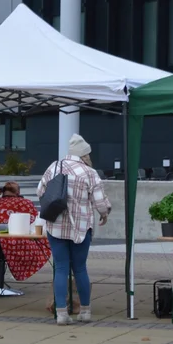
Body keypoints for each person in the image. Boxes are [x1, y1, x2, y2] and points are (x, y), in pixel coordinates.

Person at [37, 134, 111, 326]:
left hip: (56, 225)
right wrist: (104, 213)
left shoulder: (54, 166)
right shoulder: (89, 172)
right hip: (81, 226)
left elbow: (40, 191)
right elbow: (100, 201)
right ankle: (85, 311)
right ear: (85, 155)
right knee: (80, 268)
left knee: (60, 268)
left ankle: (61, 313)